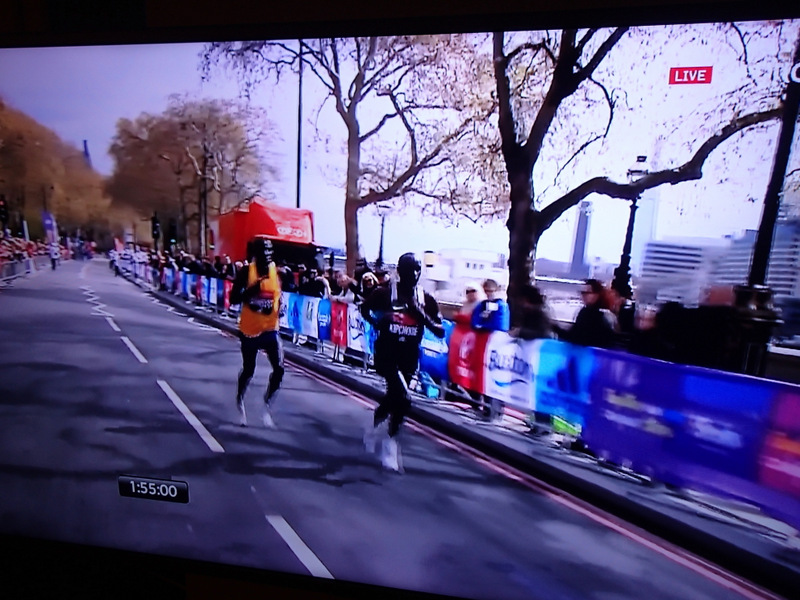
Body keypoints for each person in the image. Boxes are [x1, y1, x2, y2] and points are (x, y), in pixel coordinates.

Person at [360, 252, 445, 472]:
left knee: (393, 398)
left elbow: (441, 330)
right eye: (409, 270)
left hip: (408, 356)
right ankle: (390, 442)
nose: (414, 274)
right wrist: (378, 322)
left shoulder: (425, 298)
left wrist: (420, 314)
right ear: (399, 272)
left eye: (418, 269)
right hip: (387, 353)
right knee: (404, 399)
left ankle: (373, 427)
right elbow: (364, 309)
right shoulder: (385, 293)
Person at [229, 237, 285, 428]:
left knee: (279, 368)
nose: (267, 257)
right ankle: (240, 400)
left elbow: (278, 295)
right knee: (249, 369)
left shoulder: (275, 271)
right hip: (250, 330)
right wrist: (249, 292)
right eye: (263, 253)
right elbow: (233, 299)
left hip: (270, 328)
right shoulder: (246, 271)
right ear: (256, 254)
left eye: (270, 253)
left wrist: (281, 306)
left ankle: (266, 405)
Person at [554, 279, 616, 349]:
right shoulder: (587, 311)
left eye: (587, 293)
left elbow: (578, 337)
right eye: (582, 293)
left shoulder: (596, 315)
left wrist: (555, 328)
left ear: (597, 295)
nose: (584, 296)